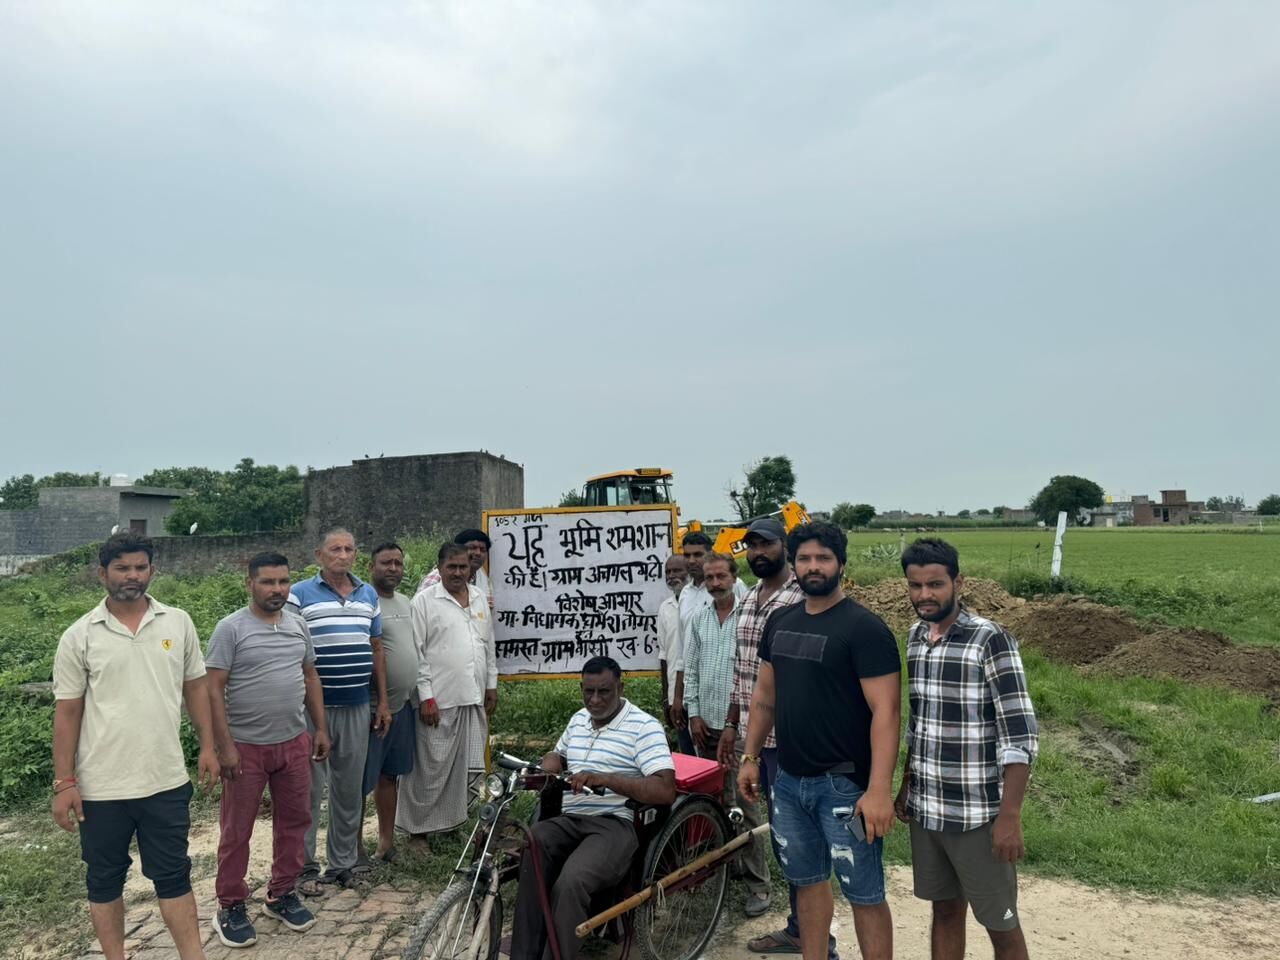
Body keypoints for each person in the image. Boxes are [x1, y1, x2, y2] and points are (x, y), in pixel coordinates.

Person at [51, 532, 219, 960]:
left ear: (152, 570)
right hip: (100, 788)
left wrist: (208, 746)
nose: (133, 576)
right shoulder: (80, 635)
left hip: (164, 779)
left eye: (140, 567)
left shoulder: (176, 621)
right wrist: (64, 782)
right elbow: (67, 713)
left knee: (174, 875)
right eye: (123, 568)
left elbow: (196, 687)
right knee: (105, 880)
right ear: (102, 573)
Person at [739, 522, 901, 960]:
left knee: (864, 893)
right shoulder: (780, 621)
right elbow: (765, 697)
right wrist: (750, 756)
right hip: (789, 782)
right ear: (793, 564)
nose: (814, 566)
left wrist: (879, 789)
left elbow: (886, 713)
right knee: (807, 883)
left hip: (845, 785)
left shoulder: (864, 629)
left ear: (841, 565)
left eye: (823, 558)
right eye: (805, 558)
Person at [893, 539, 1039, 960]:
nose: (925, 595)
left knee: (1000, 921)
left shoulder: (989, 639)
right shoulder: (916, 639)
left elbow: (1020, 734)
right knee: (944, 910)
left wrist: (1009, 817)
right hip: (930, 809)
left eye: (935, 584)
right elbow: (919, 724)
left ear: (958, 582)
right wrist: (907, 784)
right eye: (916, 585)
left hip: (978, 814)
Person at [718, 518, 837, 957]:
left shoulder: (804, 597)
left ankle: (817, 938)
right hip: (756, 742)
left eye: (766, 543)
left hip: (794, 740)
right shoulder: (750, 599)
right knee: (788, 840)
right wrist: (732, 726)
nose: (757, 552)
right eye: (751, 545)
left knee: (803, 842)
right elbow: (743, 672)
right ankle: (798, 929)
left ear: (784, 547)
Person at [511, 657, 676, 960]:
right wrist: (547, 767)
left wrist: (606, 779)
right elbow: (557, 754)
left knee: (572, 882)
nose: (595, 700)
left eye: (604, 692)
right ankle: (524, 954)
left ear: (620, 688)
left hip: (614, 823)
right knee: (531, 851)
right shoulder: (578, 719)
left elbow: (665, 790)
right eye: (588, 692)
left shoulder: (643, 726)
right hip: (570, 816)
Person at [206, 552, 332, 947]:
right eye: (267, 582)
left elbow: (310, 675)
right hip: (245, 747)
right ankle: (229, 903)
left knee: (296, 821)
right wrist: (222, 746)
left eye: (282, 581)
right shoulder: (231, 629)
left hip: (293, 742)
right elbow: (212, 687)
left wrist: (321, 729)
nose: (276, 589)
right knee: (237, 829)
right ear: (249, 584)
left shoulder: (298, 625)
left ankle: (281, 893)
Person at [288, 528, 390, 893]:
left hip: (357, 705)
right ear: (319, 555)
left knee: (349, 790)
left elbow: (377, 649)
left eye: (349, 549)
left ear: (355, 554)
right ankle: (302, 867)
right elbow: (289, 648)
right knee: (307, 791)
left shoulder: (368, 595)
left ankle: (342, 864)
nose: (342, 555)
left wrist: (382, 702)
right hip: (311, 709)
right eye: (335, 549)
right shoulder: (298, 594)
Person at [684, 551, 772, 915]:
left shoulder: (749, 618)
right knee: (712, 802)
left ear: (735, 577)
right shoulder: (700, 619)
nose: (716, 583)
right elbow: (691, 670)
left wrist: (740, 725)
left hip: (741, 728)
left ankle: (760, 886)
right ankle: (724, 867)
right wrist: (693, 713)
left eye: (722, 576)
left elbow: (758, 675)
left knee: (745, 804)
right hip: (707, 727)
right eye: (710, 578)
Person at [397, 542, 497, 845]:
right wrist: (426, 696)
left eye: (462, 567)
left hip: (473, 697)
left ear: (470, 569)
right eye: (451, 567)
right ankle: (418, 834)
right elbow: (418, 653)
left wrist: (491, 684)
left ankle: (452, 824)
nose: (457, 572)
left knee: (465, 769)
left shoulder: (479, 597)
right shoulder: (424, 602)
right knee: (430, 770)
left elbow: (487, 644)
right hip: (437, 701)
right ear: (439, 569)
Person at [358, 542, 418, 867]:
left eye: (397, 562)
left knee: (389, 777)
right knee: (359, 782)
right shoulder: (362, 600)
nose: (393, 568)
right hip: (371, 709)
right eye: (386, 562)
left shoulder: (405, 602)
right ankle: (353, 850)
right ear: (371, 566)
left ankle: (385, 843)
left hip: (402, 707)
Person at [657, 554, 695, 754]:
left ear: (688, 571)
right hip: (676, 697)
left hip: (699, 695)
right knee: (687, 752)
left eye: (677, 570)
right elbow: (664, 656)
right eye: (668, 572)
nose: (672, 576)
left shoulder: (701, 602)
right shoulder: (665, 608)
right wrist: (667, 698)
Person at [415, 528, 494, 607]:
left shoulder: (481, 579)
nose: (478, 553)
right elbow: (421, 608)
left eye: (483, 550)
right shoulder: (437, 578)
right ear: (457, 549)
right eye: (472, 548)